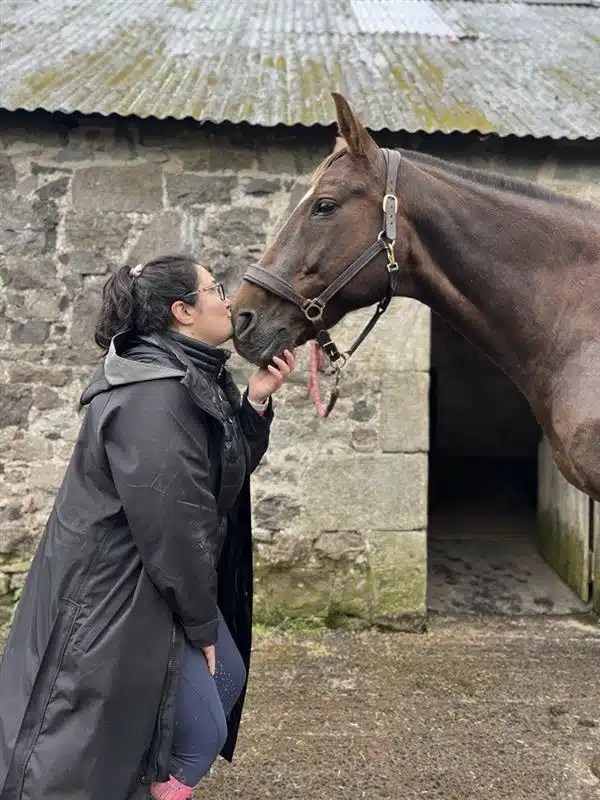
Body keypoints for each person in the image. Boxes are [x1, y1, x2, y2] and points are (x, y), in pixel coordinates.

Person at [0, 254, 296, 800]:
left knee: (222, 682)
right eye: (216, 290)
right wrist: (202, 624)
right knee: (162, 737)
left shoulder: (188, 374)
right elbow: (175, 527)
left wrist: (255, 400)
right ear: (183, 311)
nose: (228, 300)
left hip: (152, 581)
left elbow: (213, 480)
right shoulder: (152, 394)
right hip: (112, 592)